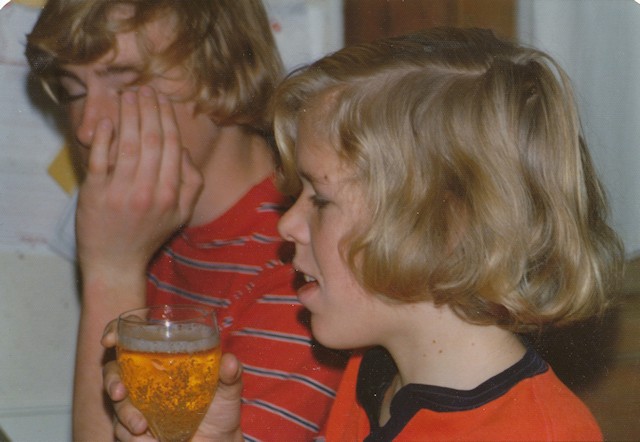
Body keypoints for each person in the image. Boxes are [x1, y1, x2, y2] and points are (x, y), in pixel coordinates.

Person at [147, 26, 622, 440]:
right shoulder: (373, 374)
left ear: (442, 227)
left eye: (322, 199)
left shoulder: (538, 435)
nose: (287, 224)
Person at [25, 1, 345, 440]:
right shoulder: (141, 224)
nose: (87, 127)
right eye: (74, 91)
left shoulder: (300, 260)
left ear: (224, 77)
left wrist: (111, 271)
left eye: (126, 85)